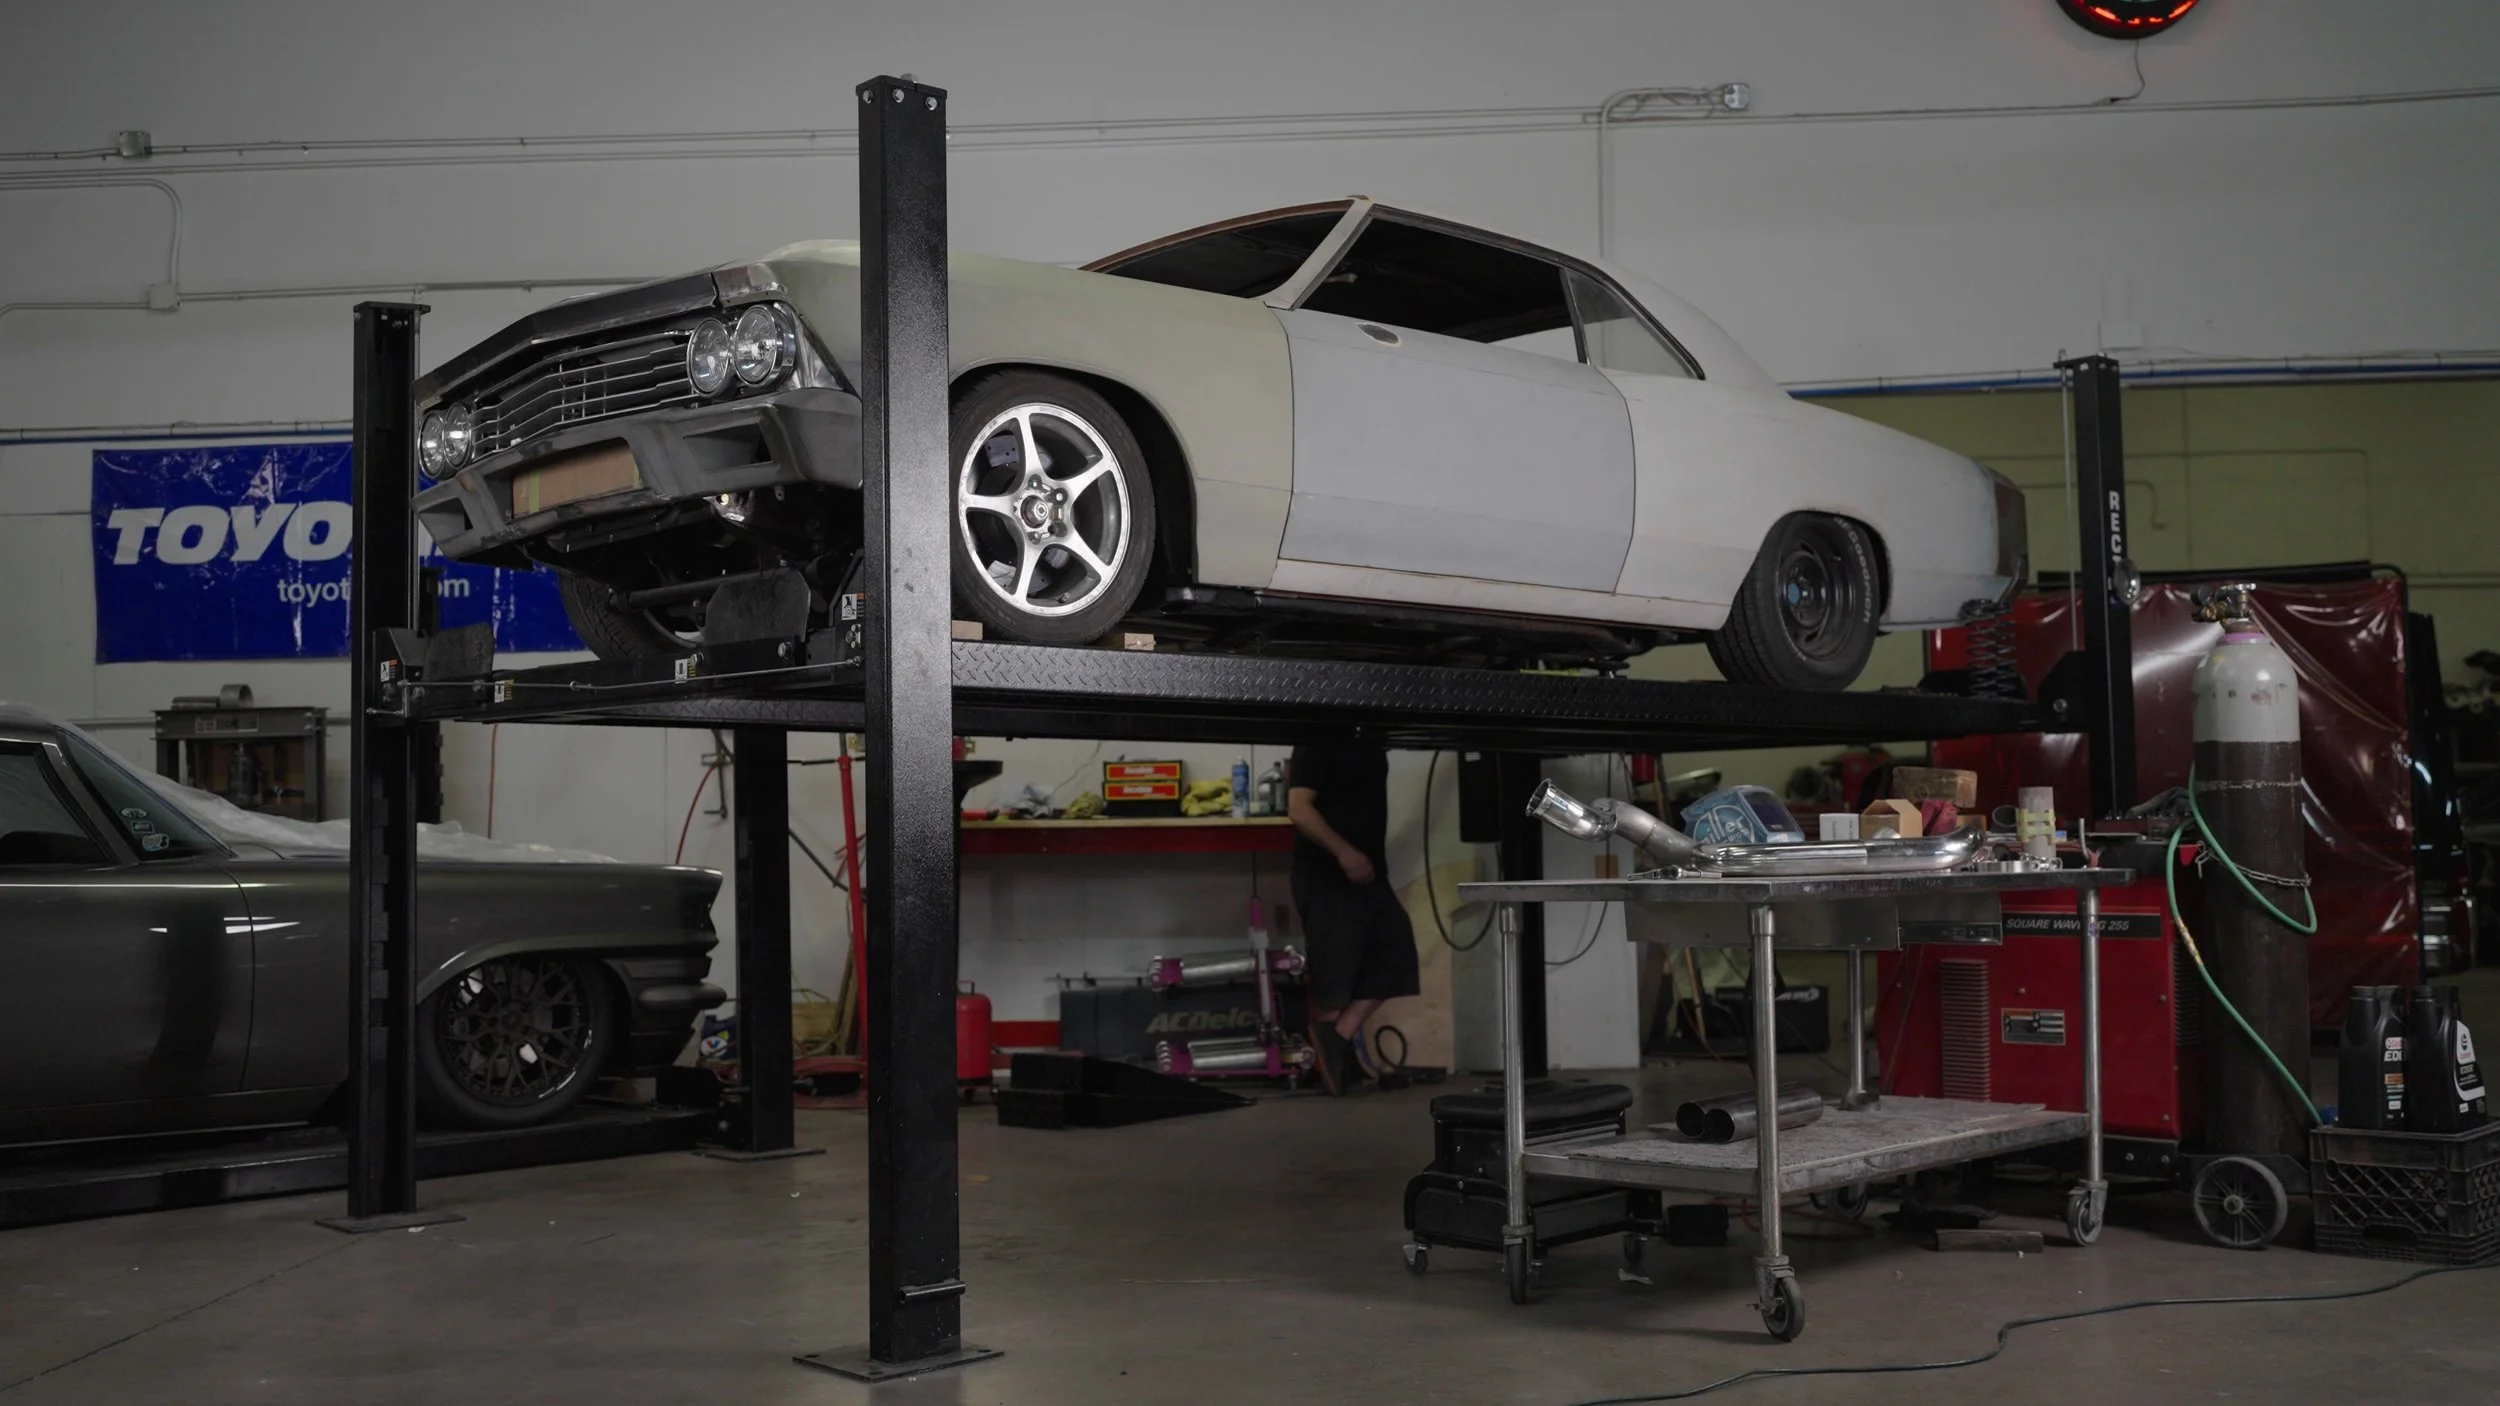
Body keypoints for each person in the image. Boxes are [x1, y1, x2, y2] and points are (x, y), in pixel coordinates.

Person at [1285, 740, 1420, 1093]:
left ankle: (1337, 1041)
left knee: (1395, 955)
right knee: (1336, 975)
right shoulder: (1317, 739)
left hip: (1368, 869)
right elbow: (1298, 808)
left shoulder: (1369, 738)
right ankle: (1332, 1065)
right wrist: (1344, 852)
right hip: (1327, 873)